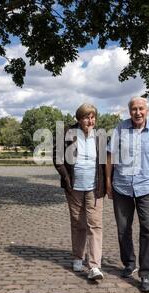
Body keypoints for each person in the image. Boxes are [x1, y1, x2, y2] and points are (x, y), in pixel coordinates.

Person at [105, 96, 149, 293]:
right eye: (134, 109)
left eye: (141, 109)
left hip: (147, 187)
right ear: (129, 111)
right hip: (122, 186)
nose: (138, 112)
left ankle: (146, 275)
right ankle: (129, 263)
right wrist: (108, 182)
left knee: (148, 230)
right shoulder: (120, 128)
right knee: (123, 229)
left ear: (147, 111)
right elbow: (109, 156)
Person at [53, 103, 106, 280]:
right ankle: (77, 256)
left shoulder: (100, 135)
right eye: (86, 117)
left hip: (94, 186)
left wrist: (106, 184)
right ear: (79, 118)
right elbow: (57, 158)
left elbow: (105, 162)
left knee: (95, 224)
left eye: (92, 117)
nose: (90, 121)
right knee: (78, 223)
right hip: (74, 187)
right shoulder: (67, 132)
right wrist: (67, 179)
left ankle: (94, 266)